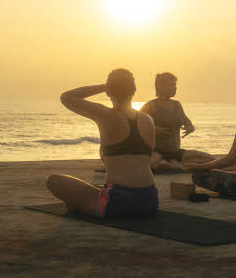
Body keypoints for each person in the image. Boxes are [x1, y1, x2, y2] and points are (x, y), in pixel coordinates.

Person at [46, 69, 158, 218]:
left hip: (118, 202)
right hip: (150, 200)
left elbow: (67, 97)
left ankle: (84, 206)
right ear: (134, 90)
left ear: (109, 91)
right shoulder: (147, 120)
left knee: (54, 180)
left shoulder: (106, 115)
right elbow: (146, 157)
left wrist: (104, 86)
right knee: (95, 187)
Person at [140, 72, 215, 171]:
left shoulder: (177, 105)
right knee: (151, 164)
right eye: (172, 85)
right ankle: (172, 165)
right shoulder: (151, 105)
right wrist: (154, 129)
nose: (175, 88)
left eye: (175, 85)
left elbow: (187, 121)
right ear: (161, 86)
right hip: (156, 152)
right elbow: (136, 125)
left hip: (176, 151)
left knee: (210, 159)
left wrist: (190, 127)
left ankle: (173, 165)